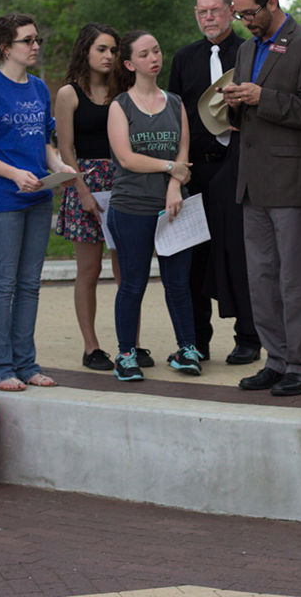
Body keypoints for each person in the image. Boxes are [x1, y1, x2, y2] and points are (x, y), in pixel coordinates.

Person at [222, 0, 301, 396]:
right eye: (238, 15)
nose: (243, 22)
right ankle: (277, 359)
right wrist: (234, 104)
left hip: (292, 181)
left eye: (248, 13)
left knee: (295, 279)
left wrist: (260, 98)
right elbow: (247, 114)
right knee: (262, 277)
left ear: (271, 3)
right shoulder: (248, 49)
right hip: (253, 182)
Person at [0, 13, 75, 391]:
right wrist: (14, 174)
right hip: (2, 200)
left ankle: (26, 365)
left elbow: (44, 143)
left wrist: (58, 166)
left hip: (39, 196)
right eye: (27, 41)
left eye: (36, 39)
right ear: (4, 48)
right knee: (4, 283)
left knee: (29, 283)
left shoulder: (40, 89)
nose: (35, 46)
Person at [169, 0, 260, 364]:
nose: (208, 18)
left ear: (230, 11)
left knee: (241, 254)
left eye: (215, 11)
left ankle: (249, 338)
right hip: (198, 171)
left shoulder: (251, 51)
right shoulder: (184, 58)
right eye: (201, 12)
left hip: (238, 168)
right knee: (196, 258)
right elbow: (175, 115)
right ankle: (197, 341)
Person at [55, 23, 153, 372]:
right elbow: (65, 147)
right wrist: (81, 191)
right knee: (90, 270)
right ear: (85, 51)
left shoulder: (123, 92)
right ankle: (92, 346)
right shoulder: (69, 94)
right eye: (101, 49)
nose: (109, 56)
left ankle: (132, 343)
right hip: (85, 185)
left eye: (113, 50)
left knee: (127, 270)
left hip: (123, 182)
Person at [106, 30, 203, 381]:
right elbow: (127, 158)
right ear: (131, 64)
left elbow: (183, 153)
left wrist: (175, 187)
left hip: (174, 208)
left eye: (157, 50)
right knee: (133, 283)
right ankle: (126, 354)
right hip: (131, 207)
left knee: (178, 282)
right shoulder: (120, 106)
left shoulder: (175, 103)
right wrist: (168, 170)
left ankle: (187, 349)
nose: (154, 58)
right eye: (145, 54)